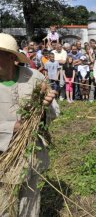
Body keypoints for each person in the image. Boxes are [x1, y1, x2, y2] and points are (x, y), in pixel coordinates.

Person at [0, 33, 59, 216]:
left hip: (33, 152)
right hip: (4, 155)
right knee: (4, 202)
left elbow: (54, 112)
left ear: (11, 57)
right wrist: (11, 127)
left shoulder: (34, 78)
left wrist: (48, 105)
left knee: (31, 202)